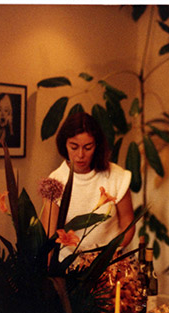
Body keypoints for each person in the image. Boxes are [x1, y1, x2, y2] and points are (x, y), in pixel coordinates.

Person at [41, 112, 135, 265]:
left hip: (110, 264)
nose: (80, 155)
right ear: (64, 144)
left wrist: (107, 256)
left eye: (88, 147)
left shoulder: (117, 176)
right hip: (68, 268)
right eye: (74, 147)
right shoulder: (55, 181)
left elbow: (128, 225)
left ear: (96, 145)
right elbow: (49, 236)